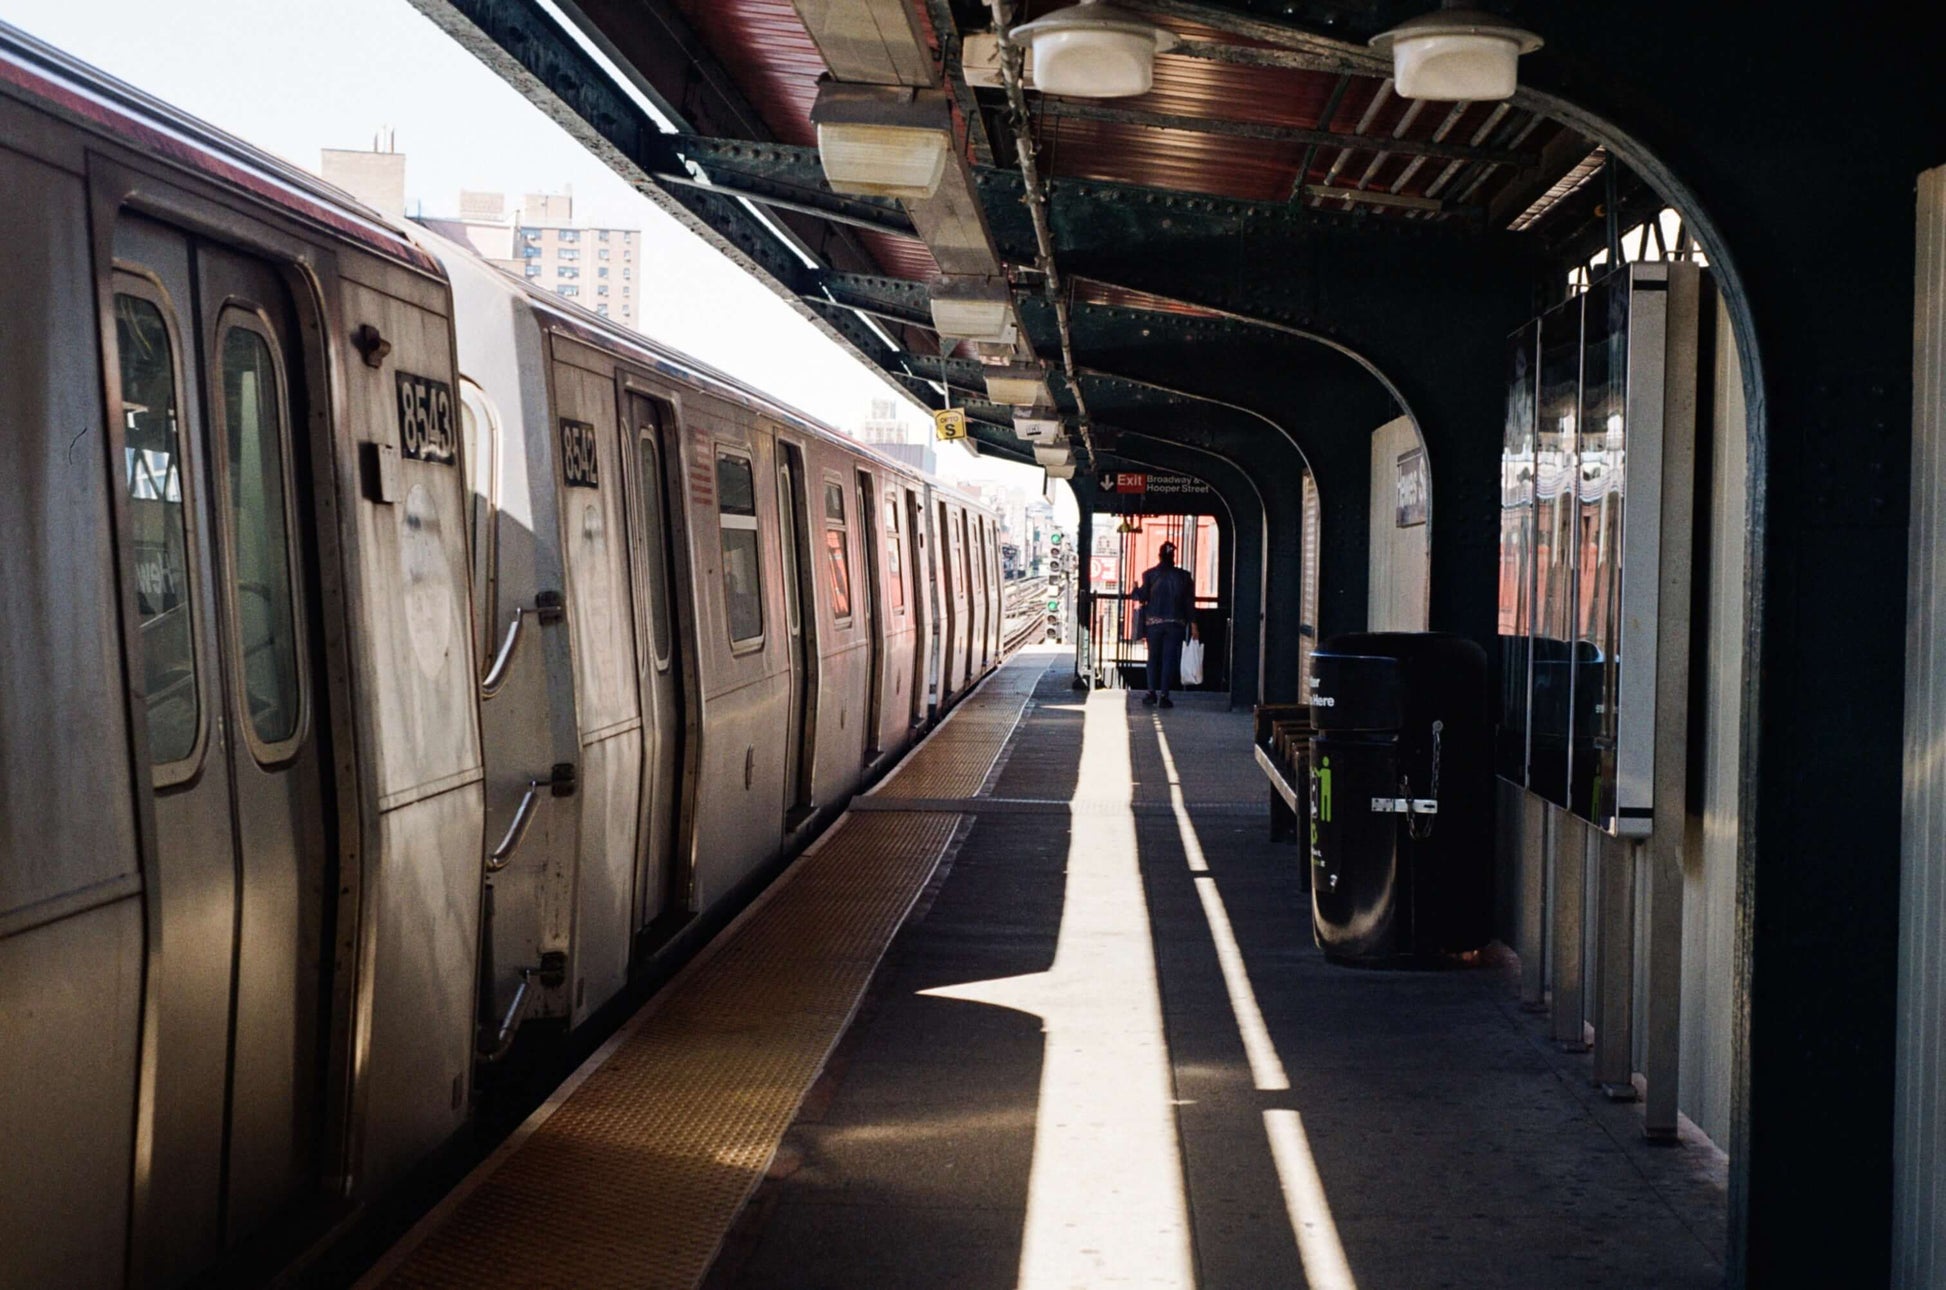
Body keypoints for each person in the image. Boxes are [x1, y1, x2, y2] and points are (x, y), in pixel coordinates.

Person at [1134, 540, 1194, 708]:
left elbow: (1142, 596)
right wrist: (1193, 624)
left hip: (1154, 624)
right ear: (1173, 556)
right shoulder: (1184, 576)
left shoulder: (1149, 574)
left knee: (1153, 658)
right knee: (1169, 659)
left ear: (1159, 556)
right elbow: (1189, 603)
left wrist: (1135, 590)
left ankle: (1151, 692)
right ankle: (1164, 695)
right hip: (1176, 624)